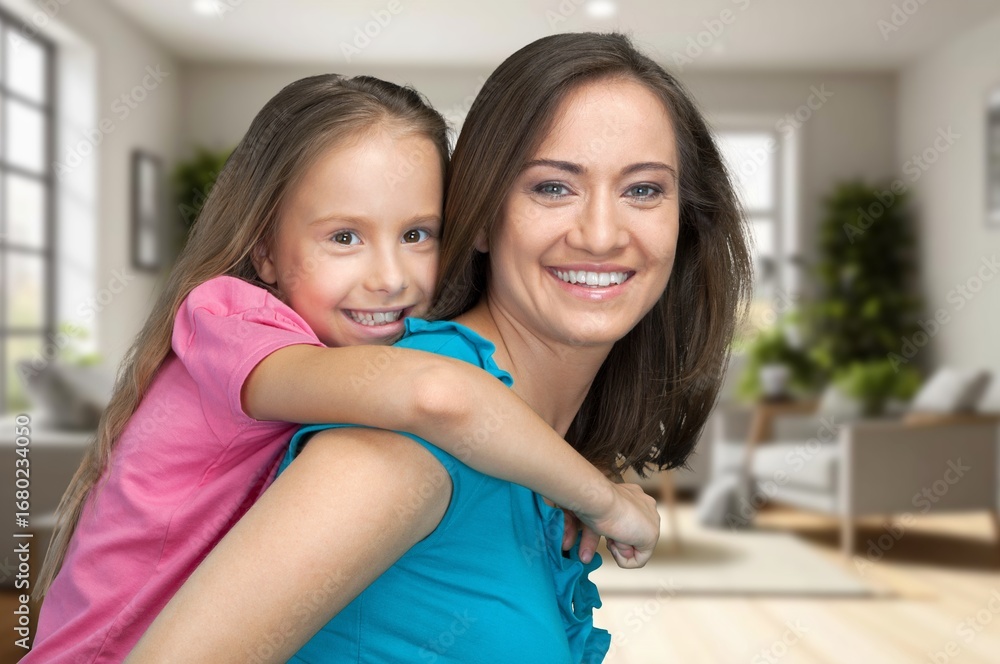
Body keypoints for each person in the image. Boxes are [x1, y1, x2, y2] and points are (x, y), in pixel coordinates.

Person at [128, 32, 752, 663]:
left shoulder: (533, 452)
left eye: (643, 189)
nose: (600, 234)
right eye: (552, 188)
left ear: (685, 219)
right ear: (479, 216)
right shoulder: (408, 439)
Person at [24, 73, 661, 664]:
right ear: (266, 250)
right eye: (345, 237)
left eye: (417, 235)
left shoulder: (333, 356)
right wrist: (602, 500)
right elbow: (437, 395)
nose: (389, 278)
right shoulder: (227, 321)